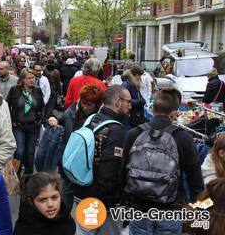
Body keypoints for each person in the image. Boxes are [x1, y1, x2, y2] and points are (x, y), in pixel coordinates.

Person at [121, 87, 205, 235]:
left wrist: (128, 202)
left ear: (152, 109)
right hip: (170, 210)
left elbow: (122, 174)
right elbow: (196, 182)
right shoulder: (183, 138)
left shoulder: (133, 134)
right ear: (173, 114)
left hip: (139, 209)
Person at [72, 85, 131, 235]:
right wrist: (112, 203)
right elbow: (110, 171)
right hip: (102, 201)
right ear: (118, 101)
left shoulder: (92, 119)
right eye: (128, 102)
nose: (130, 105)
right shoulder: (116, 130)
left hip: (82, 190)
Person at [6, 68, 44, 175]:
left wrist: (40, 120)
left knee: (30, 153)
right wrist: (12, 120)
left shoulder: (37, 90)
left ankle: (28, 178)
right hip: (18, 126)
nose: (32, 80)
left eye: (33, 78)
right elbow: (6, 105)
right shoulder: (15, 90)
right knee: (19, 152)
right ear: (22, 79)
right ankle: (15, 177)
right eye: (29, 78)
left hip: (33, 126)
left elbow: (42, 107)